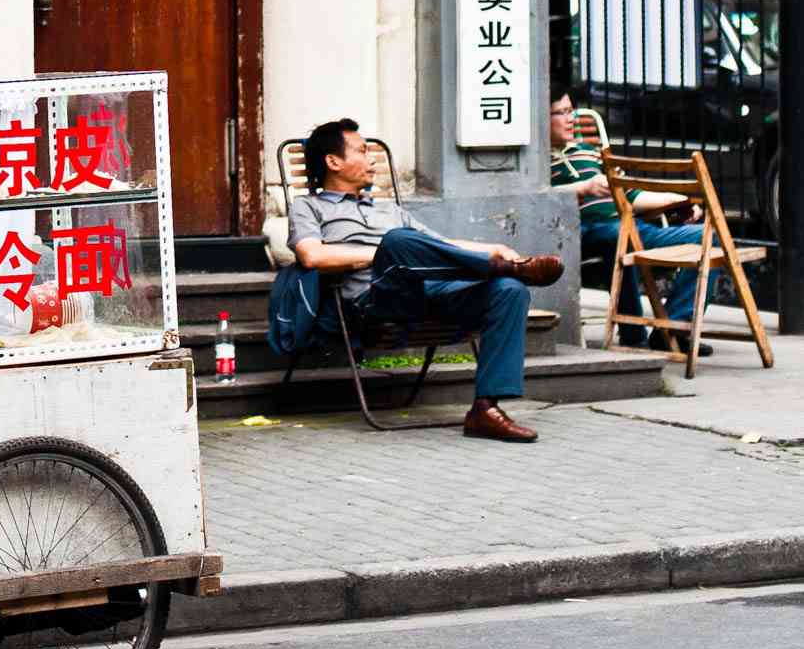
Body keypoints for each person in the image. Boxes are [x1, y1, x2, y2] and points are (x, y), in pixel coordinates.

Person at [289, 119, 565, 444]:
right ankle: (497, 268)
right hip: (374, 300)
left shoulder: (389, 210)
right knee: (398, 242)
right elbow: (312, 257)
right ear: (333, 162)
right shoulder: (308, 207)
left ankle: (485, 409)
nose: (372, 159)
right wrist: (380, 253)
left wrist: (494, 249)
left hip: (429, 292)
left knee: (509, 290)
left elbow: (442, 248)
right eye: (363, 151)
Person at [548, 93, 711, 357]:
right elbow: (539, 197)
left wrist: (681, 201)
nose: (571, 119)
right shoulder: (533, 162)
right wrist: (584, 187)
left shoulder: (590, 153)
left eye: (572, 111)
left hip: (630, 227)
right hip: (585, 232)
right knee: (617, 236)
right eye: (562, 113)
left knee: (707, 237)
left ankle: (673, 330)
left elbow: (632, 195)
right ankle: (632, 335)